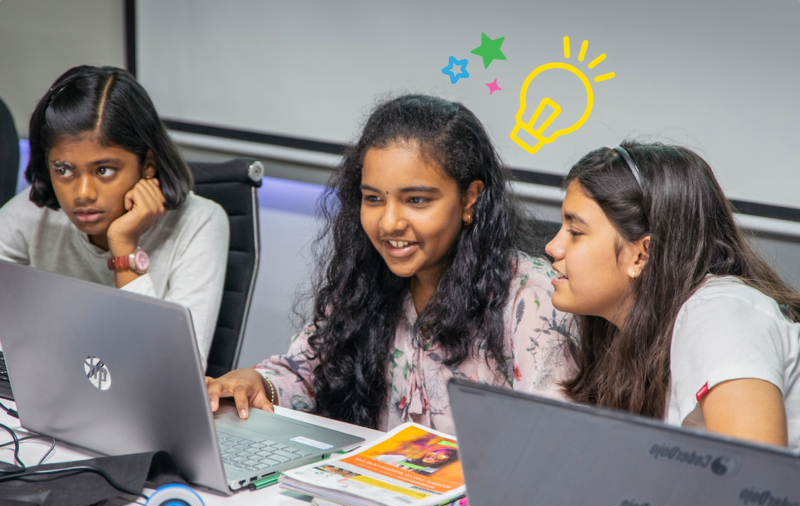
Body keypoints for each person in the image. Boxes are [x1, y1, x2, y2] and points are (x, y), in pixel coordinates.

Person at [206, 94, 573, 434]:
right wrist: (259, 385)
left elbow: (548, 440)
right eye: (373, 198)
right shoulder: (367, 279)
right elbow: (304, 374)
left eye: (416, 200)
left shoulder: (533, 299)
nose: (389, 223)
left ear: (469, 199)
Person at [545, 141, 800, 447]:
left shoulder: (721, 315)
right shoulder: (630, 339)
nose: (552, 247)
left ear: (641, 255)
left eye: (575, 232)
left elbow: (751, 482)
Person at [0, 65, 228, 368]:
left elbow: (171, 372)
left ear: (147, 164)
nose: (82, 193)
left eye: (103, 170)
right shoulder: (32, 214)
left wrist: (124, 247)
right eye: (63, 170)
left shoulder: (200, 223)